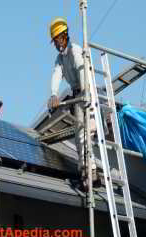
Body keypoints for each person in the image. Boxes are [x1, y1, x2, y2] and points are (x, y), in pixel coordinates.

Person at [48, 18, 99, 188]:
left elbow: (82, 70)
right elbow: (56, 74)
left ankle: (92, 172)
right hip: (78, 95)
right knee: (79, 136)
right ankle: (85, 172)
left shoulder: (75, 51)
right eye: (54, 41)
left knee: (86, 134)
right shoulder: (60, 58)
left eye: (57, 40)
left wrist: (85, 92)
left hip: (87, 94)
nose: (56, 44)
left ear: (64, 36)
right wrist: (54, 94)